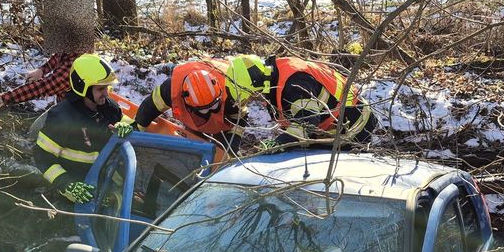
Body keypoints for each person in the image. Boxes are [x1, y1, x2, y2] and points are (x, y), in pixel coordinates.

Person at [32, 53, 126, 204]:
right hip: (71, 191)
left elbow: (125, 130)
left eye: (107, 87)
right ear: (83, 88)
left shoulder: (111, 109)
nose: (106, 93)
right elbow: (42, 156)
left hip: (103, 185)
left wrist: (126, 127)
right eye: (101, 89)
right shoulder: (63, 117)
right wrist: (66, 185)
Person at [227, 54, 377, 146]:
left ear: (256, 83)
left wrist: (280, 143)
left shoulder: (294, 83)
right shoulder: (276, 78)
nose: (255, 100)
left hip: (355, 125)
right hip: (331, 128)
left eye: (253, 95)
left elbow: (307, 122)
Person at [133, 58, 246, 154]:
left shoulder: (232, 92)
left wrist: (230, 148)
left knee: (222, 151)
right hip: (195, 118)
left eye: (213, 106)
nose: (211, 112)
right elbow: (151, 105)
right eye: (204, 110)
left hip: (225, 115)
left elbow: (239, 119)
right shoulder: (171, 90)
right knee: (194, 146)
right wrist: (137, 127)